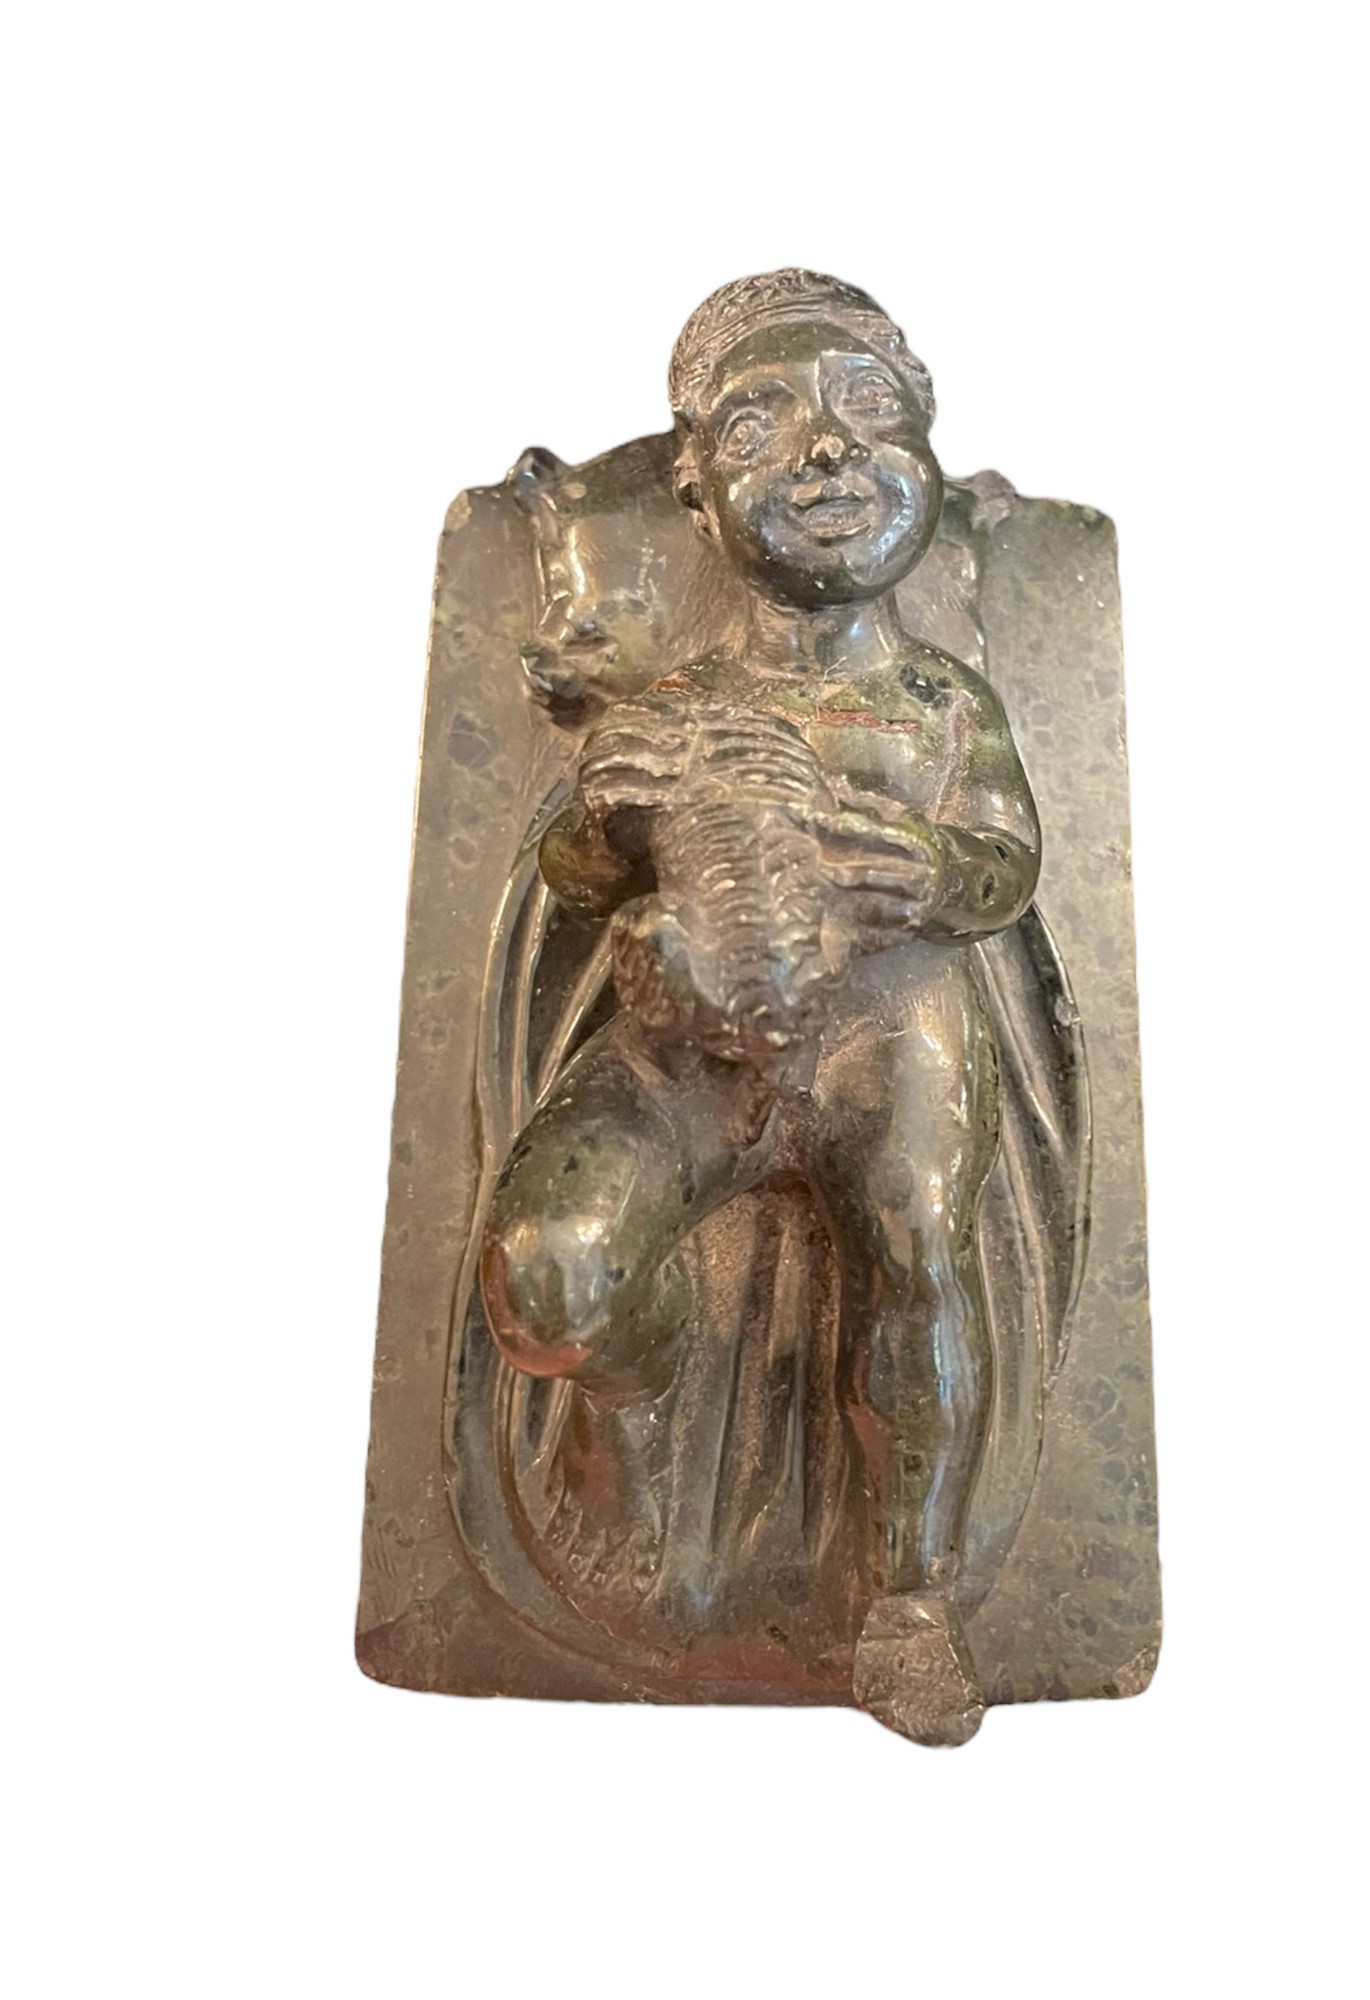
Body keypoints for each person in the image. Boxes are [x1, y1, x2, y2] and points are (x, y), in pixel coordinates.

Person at [479, 270, 1042, 1744]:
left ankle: (910, 1597)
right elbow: (580, 876)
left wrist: (932, 864)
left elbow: (1005, 862)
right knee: (547, 1278)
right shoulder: (667, 708)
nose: (825, 451)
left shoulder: (938, 705)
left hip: (888, 1035)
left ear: (922, 447)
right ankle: (627, 1421)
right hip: (688, 1044)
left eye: (868, 412)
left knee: (920, 1256)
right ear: (694, 492)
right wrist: (597, 822)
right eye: (758, 427)